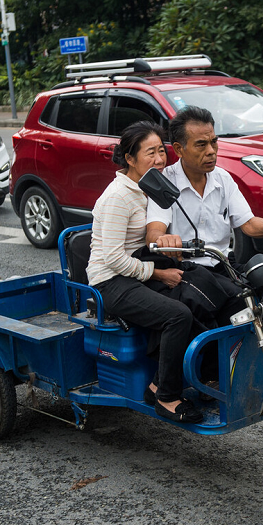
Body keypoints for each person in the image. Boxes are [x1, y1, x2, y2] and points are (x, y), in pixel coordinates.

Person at [86, 121, 203, 423]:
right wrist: (158, 274)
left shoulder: (148, 187)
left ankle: (160, 383)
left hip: (135, 270)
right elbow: (112, 258)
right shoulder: (118, 197)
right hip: (111, 282)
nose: (160, 159)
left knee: (196, 294)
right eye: (150, 153)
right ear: (129, 158)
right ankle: (166, 398)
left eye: (161, 151)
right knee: (178, 315)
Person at [145, 106, 263, 272]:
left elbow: (248, 223)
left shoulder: (223, 178)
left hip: (223, 264)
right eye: (201, 145)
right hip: (186, 269)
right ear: (179, 149)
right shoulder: (166, 182)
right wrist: (163, 239)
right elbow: (154, 231)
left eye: (213, 142)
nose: (211, 151)